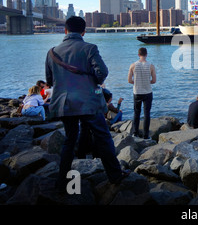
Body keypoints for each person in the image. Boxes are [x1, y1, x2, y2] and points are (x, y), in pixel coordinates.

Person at [45, 16, 129, 190]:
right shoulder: (90, 48)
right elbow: (102, 72)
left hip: (64, 103)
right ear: (83, 31)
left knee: (69, 140)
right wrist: (92, 80)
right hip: (88, 101)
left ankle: (62, 182)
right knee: (103, 137)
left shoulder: (52, 52)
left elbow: (50, 80)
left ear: (65, 30)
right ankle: (114, 176)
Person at [128, 47, 156, 139]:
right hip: (147, 92)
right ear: (146, 54)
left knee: (136, 113)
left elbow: (129, 80)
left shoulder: (133, 65)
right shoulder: (151, 66)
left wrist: (136, 82)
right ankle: (146, 135)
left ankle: (135, 133)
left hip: (137, 92)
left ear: (138, 55)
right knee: (146, 113)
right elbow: (154, 80)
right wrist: (148, 82)